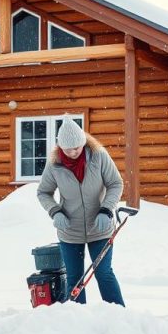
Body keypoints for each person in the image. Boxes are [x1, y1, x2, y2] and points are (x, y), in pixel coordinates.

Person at [37, 116, 125, 305]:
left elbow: (115, 184)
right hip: (70, 231)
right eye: (68, 149)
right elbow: (44, 192)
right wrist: (55, 211)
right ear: (61, 147)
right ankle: (77, 322)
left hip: (100, 227)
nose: (73, 152)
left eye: (77, 147)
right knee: (75, 279)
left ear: (83, 142)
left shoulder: (98, 156)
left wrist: (107, 209)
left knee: (104, 273)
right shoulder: (54, 165)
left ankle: (119, 317)